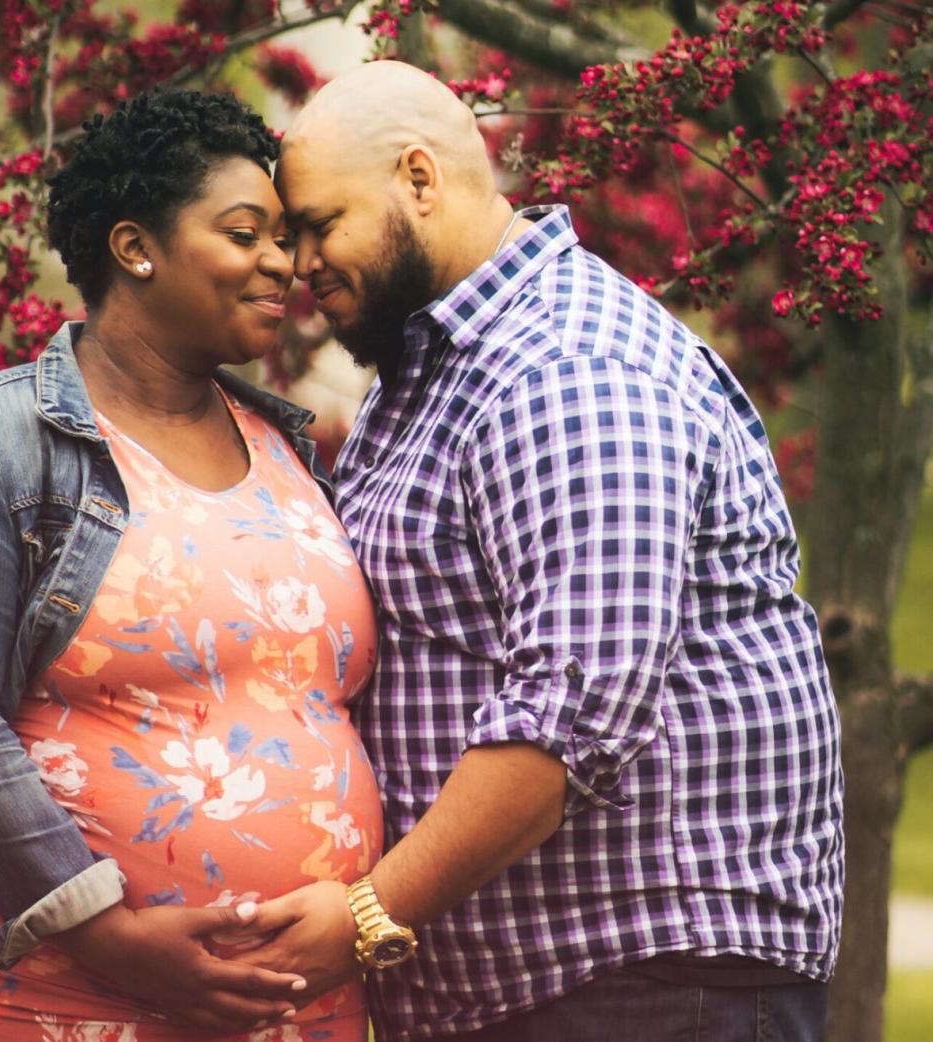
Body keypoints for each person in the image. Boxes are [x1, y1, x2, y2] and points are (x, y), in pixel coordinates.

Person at [230, 60, 845, 1042]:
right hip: (554, 993)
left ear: (419, 181)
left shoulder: (566, 367)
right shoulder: (437, 368)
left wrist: (365, 914)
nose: (299, 264)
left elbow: (571, 712)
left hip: (642, 988)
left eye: (316, 225)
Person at [0, 88, 383, 1041]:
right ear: (135, 248)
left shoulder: (292, 454)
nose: (284, 263)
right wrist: (102, 928)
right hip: (39, 993)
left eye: (286, 236)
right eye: (247, 232)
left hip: (286, 1010)